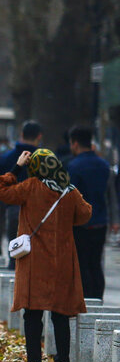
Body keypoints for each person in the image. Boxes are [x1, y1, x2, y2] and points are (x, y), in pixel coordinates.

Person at [0, 148, 91, 362]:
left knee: (33, 312)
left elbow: (1, 191)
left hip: (34, 261)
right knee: (60, 313)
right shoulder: (69, 191)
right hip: (62, 260)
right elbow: (85, 214)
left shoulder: (30, 187)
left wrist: (16, 167)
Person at [66, 126, 115, 299]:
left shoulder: (73, 167)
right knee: (96, 263)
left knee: (82, 264)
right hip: (101, 223)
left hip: (80, 224)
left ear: (75, 143)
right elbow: (111, 196)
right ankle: (98, 298)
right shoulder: (104, 166)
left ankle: (85, 300)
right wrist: (114, 220)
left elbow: (69, 197)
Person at [0, 121, 43, 264]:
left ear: (21, 135)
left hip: (12, 211)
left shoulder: (7, 157)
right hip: (38, 213)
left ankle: (13, 283)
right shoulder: (45, 159)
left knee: (15, 254)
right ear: (39, 136)